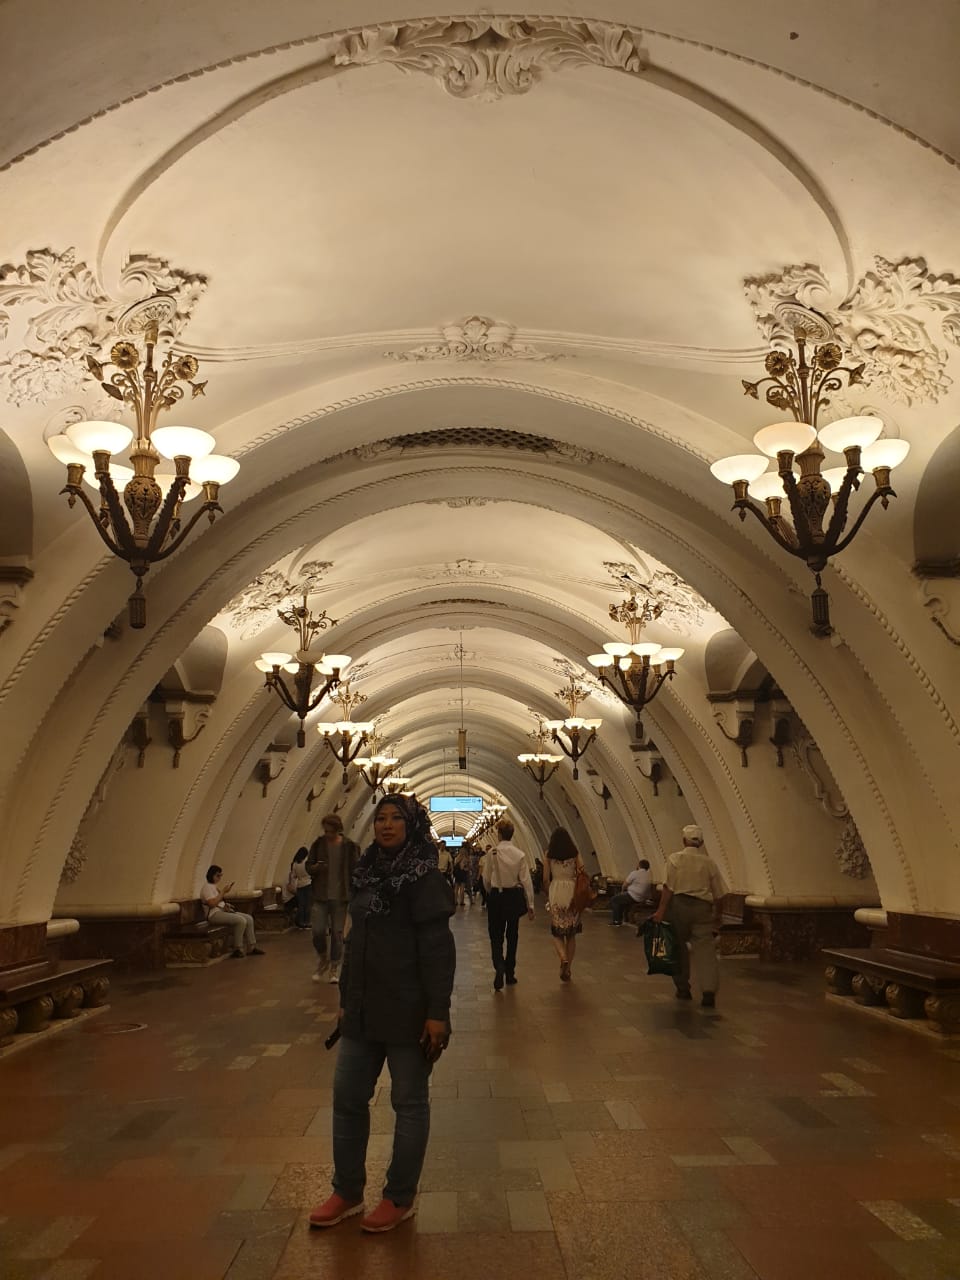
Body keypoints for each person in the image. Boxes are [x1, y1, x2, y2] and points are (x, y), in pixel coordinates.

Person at [309, 793, 455, 1234]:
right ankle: (347, 1191)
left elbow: (438, 950)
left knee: (408, 1103)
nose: (386, 825)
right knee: (347, 1098)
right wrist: (345, 1000)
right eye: (380, 819)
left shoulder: (425, 878)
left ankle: (399, 1197)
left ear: (411, 825)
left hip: (409, 1009)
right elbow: (355, 941)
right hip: (362, 1008)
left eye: (396, 819)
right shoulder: (367, 873)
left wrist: (438, 1012)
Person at [651, 824, 724, 1007]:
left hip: (679, 907)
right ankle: (708, 992)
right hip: (702, 908)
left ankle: (683, 988)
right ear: (702, 843)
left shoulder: (675, 859)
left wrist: (661, 910)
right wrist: (718, 915)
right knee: (706, 950)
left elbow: (668, 888)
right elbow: (719, 894)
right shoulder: (709, 863)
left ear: (683, 840)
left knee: (678, 946)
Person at [307, 813, 360, 984]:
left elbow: (355, 869)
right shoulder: (318, 844)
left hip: (340, 897)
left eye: (330, 831)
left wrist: (354, 891)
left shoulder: (349, 846)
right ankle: (323, 959)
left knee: (337, 934)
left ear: (338, 829)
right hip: (320, 895)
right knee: (317, 931)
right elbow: (309, 866)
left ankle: (334, 967)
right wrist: (317, 867)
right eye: (325, 831)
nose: (327, 834)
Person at [482, 819, 535, 990]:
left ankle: (499, 964)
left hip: (496, 897)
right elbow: (526, 882)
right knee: (512, 935)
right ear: (512, 834)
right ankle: (510, 973)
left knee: (495, 934)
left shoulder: (492, 853)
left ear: (499, 834)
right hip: (513, 897)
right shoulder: (520, 855)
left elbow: (486, 878)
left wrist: (490, 892)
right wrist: (531, 905)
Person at [542, 828, 584, 982]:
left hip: (556, 890)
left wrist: (548, 892)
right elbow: (582, 870)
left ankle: (563, 957)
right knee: (571, 933)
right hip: (572, 891)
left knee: (557, 931)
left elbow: (545, 878)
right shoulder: (574, 853)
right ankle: (569, 967)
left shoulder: (549, 854)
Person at [201, 865, 265, 958]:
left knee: (249, 918)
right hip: (213, 915)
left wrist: (226, 906)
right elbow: (212, 904)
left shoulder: (214, 887)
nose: (219, 878)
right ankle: (237, 948)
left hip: (221, 912)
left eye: (220, 875)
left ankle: (251, 947)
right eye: (217, 875)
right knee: (241, 921)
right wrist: (223, 892)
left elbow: (218, 902)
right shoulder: (207, 888)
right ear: (211, 875)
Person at [608, 858, 652, 927]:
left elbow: (625, 884)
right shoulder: (649, 875)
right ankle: (624, 919)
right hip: (643, 897)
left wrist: (622, 891)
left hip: (633, 895)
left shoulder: (635, 873)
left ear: (639, 865)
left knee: (614, 900)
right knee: (621, 900)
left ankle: (616, 921)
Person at [286, 846, 312, 929]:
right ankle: (307, 922)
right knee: (308, 904)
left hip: (299, 886)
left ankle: (301, 922)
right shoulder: (307, 862)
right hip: (308, 884)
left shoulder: (295, 864)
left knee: (301, 904)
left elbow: (293, 875)